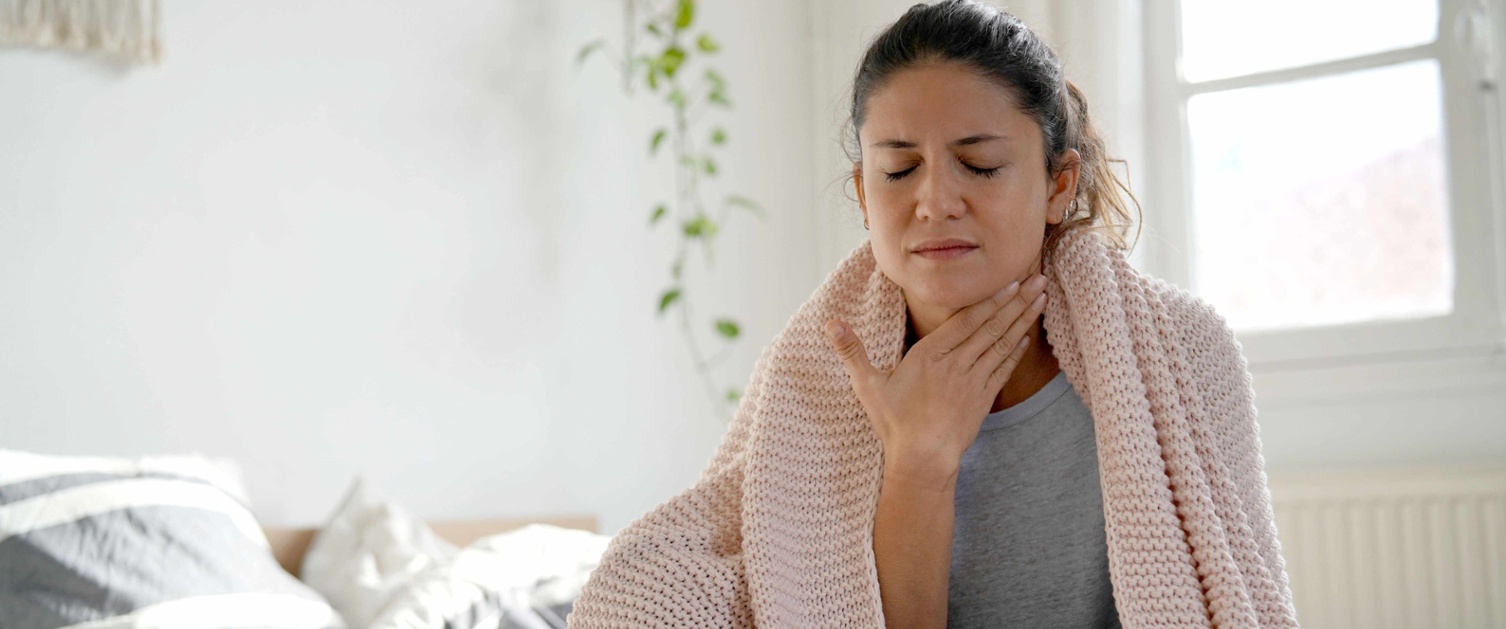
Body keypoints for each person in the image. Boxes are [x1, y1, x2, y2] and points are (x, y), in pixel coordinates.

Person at [569, 2, 1299, 628]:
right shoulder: (814, 376)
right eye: (898, 168)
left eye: (978, 165)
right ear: (863, 194)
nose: (934, 200)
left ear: (1057, 182)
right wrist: (919, 461)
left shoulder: (1181, 351)